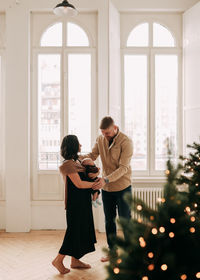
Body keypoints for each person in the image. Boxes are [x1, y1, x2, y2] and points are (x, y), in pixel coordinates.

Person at [80, 116, 133, 262]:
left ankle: (131, 252)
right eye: (103, 133)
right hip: (107, 188)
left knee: (125, 220)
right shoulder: (100, 139)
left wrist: (106, 179)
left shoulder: (126, 142)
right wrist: (75, 157)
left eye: (107, 133)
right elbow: (92, 155)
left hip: (123, 187)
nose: (105, 136)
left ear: (114, 127)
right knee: (109, 221)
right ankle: (113, 252)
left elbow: (123, 168)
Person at [52, 135, 99, 274]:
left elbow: (89, 173)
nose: (81, 146)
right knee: (73, 233)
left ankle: (75, 260)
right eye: (79, 143)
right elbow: (79, 184)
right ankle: (58, 260)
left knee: (81, 232)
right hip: (75, 205)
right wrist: (96, 185)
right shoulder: (67, 164)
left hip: (83, 202)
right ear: (73, 145)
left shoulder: (77, 161)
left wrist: (95, 185)